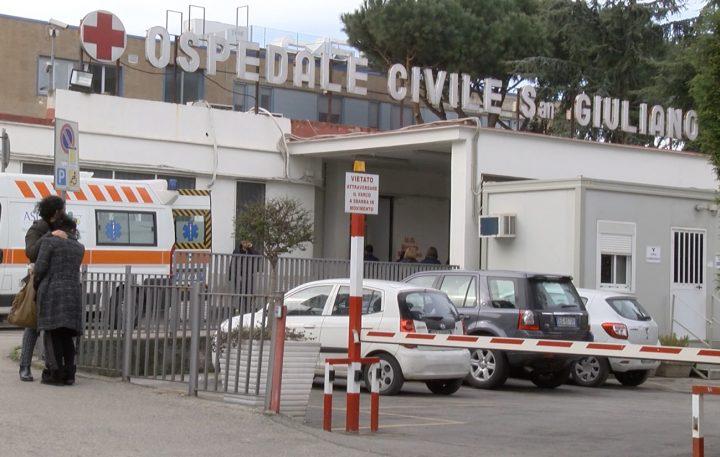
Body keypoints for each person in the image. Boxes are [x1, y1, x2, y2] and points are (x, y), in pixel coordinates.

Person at [18, 195, 66, 382]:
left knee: (55, 326)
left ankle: (53, 368)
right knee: (33, 325)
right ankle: (25, 366)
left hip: (58, 282)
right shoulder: (38, 228)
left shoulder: (63, 227)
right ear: (55, 212)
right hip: (39, 281)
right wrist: (50, 235)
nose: (64, 212)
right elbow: (30, 252)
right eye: (61, 209)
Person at [34, 215, 85, 386]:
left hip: (52, 293)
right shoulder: (79, 247)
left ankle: (55, 374)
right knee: (67, 335)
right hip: (73, 293)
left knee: (53, 334)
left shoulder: (50, 242)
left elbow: (40, 269)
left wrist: (35, 285)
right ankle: (70, 374)